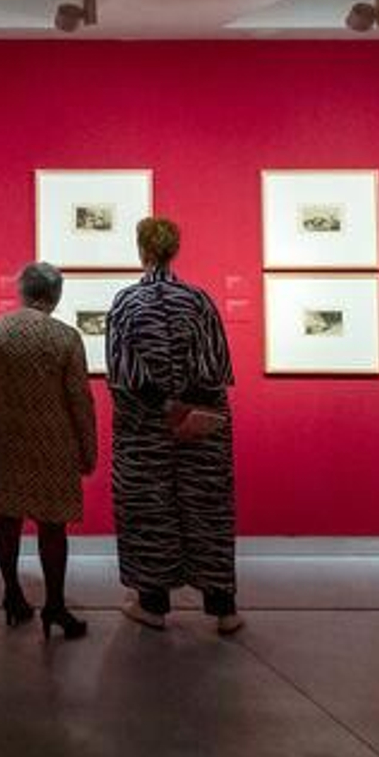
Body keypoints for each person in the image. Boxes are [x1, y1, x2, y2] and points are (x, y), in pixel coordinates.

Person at [106, 217, 242, 635]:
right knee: (208, 510)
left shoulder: (126, 304)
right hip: (202, 431)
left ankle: (153, 603)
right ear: (174, 249)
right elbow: (216, 368)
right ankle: (223, 608)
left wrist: (162, 406)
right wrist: (188, 410)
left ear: (141, 249)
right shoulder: (199, 301)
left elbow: (123, 374)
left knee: (149, 512)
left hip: (145, 432)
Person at [0, 262, 97, 641]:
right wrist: (88, 450)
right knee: (52, 526)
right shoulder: (65, 338)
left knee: (6, 520)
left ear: (21, 291)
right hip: (52, 442)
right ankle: (55, 605)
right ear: (55, 296)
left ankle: (12, 594)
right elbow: (80, 400)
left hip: (3, 439)